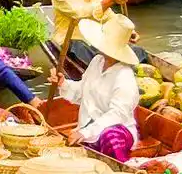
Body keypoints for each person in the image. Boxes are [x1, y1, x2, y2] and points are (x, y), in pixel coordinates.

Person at [47, 15, 141, 161]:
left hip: (117, 132)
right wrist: (63, 83)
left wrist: (87, 132)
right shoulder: (97, 61)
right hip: (88, 129)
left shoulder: (124, 77)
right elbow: (82, 91)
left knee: (109, 136)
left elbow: (117, 115)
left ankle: (119, 171)